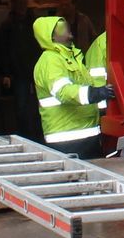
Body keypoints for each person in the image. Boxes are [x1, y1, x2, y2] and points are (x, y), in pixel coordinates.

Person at [33, 14, 116, 157]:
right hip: (68, 140)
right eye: (62, 28)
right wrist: (94, 94)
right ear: (52, 36)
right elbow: (63, 91)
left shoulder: (72, 58)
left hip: (86, 135)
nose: (68, 29)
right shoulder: (50, 60)